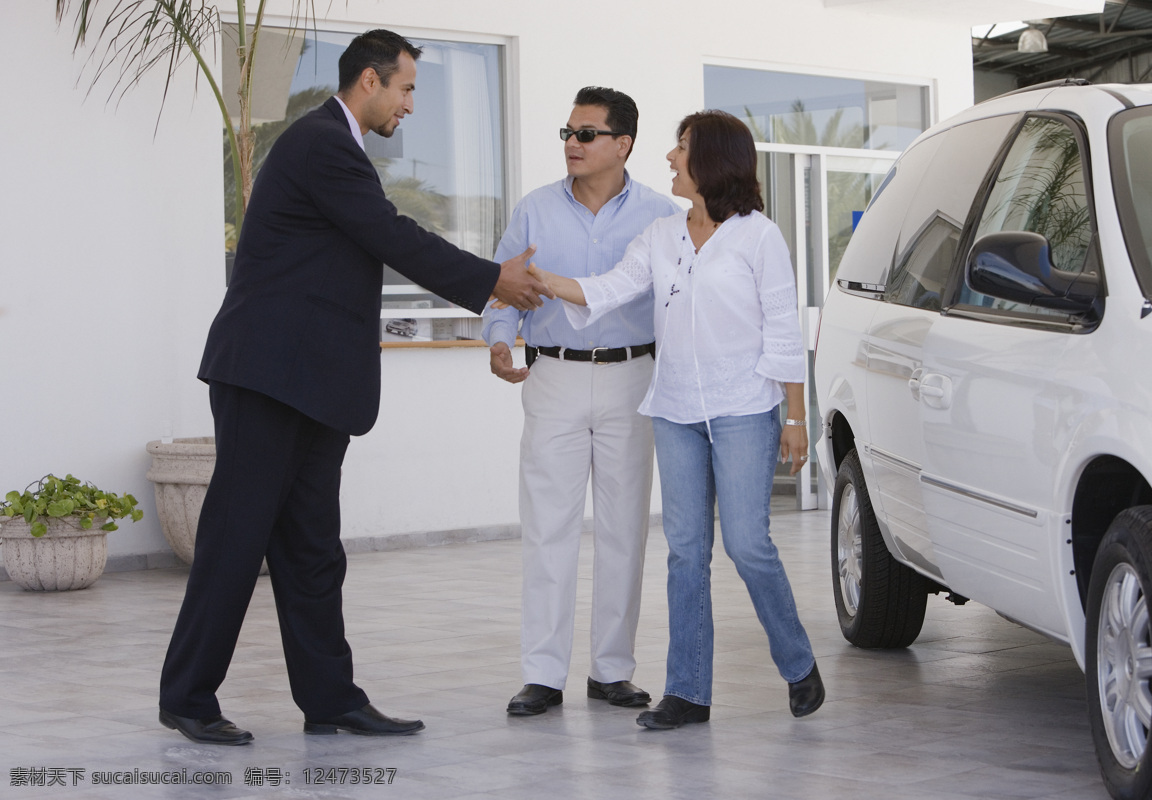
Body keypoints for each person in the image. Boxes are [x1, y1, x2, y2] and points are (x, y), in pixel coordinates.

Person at [157, 29, 550, 746]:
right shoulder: (320, 144)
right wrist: (493, 279)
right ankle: (187, 696)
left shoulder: (337, 148)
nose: (409, 107)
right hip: (268, 376)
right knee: (235, 539)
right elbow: (391, 234)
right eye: (405, 90)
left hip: (310, 380)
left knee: (311, 547)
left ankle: (331, 699)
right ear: (369, 81)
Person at [524, 110, 824, 729]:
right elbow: (610, 288)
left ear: (711, 159)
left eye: (681, 148)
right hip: (676, 408)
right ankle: (687, 691)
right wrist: (543, 280)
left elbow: (784, 331)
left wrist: (796, 415)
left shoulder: (758, 236)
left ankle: (797, 663)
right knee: (686, 552)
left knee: (747, 544)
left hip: (744, 407)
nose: (669, 158)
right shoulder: (661, 236)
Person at [482, 87, 679, 716]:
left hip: (632, 379)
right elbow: (499, 289)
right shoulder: (535, 209)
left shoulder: (662, 215)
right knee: (548, 529)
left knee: (624, 529)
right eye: (568, 132)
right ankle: (542, 675)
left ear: (623, 144)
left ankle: (612, 671)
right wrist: (498, 340)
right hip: (553, 378)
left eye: (587, 133)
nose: (572, 143)